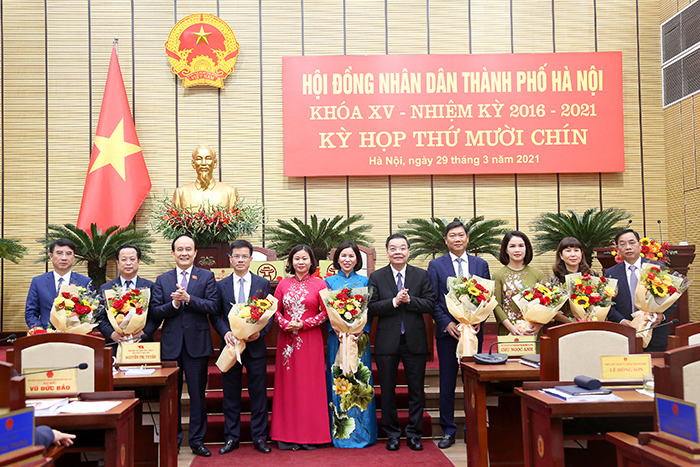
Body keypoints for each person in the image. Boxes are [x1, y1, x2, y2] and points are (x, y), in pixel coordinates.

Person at [150, 234, 219, 457]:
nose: (184, 253)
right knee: (172, 397)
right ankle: (174, 440)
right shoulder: (162, 279)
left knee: (198, 396)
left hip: (197, 345)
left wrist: (189, 299)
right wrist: (174, 304)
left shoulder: (207, 276)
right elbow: (155, 312)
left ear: (195, 253)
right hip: (171, 346)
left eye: (188, 249)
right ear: (173, 253)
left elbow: (213, 306)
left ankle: (197, 441)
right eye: (179, 249)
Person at [368, 233, 435, 452]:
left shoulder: (421, 275)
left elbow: (430, 304)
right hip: (387, 342)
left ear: (408, 251)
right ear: (387, 252)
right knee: (388, 391)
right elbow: (371, 307)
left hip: (415, 340)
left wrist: (410, 300)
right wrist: (394, 302)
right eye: (393, 248)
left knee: (416, 390)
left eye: (402, 248)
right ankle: (393, 434)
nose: (398, 252)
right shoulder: (376, 276)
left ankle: (414, 434)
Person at [427, 221, 490, 449]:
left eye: (461, 235)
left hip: (473, 332)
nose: (457, 239)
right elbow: (433, 299)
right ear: (446, 240)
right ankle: (448, 430)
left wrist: (479, 319)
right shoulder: (436, 265)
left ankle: (472, 428)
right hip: (449, 334)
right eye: (452, 235)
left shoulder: (480, 264)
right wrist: (447, 323)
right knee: (447, 381)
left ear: (467, 238)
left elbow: (487, 297)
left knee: (472, 381)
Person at [211, 240, 273, 455]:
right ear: (230, 259)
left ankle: (259, 437)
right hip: (231, 347)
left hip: (255, 347)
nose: (240, 260)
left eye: (244, 256)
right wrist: (225, 332)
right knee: (230, 393)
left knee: (258, 393)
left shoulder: (262, 283)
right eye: (236, 256)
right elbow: (215, 315)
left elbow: (269, 315)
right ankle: (231, 438)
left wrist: (260, 333)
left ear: (251, 259)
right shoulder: (221, 285)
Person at [270, 245, 330, 450]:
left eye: (305, 258)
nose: (301, 262)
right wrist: (284, 323)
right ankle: (287, 436)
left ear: (312, 261)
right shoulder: (283, 284)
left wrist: (304, 324)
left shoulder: (320, 284)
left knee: (310, 386)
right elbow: (274, 310)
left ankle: (312, 436)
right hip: (287, 340)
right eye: (297, 258)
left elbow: (327, 313)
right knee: (288, 387)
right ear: (291, 262)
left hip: (310, 339)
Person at [325, 241, 377, 448]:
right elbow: (325, 310)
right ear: (337, 259)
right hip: (337, 338)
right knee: (338, 381)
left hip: (358, 339)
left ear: (357, 259)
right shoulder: (328, 282)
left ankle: (363, 434)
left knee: (359, 383)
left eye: (351, 256)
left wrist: (362, 329)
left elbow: (370, 310)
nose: (347, 260)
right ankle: (340, 433)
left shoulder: (366, 281)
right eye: (343, 256)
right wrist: (336, 329)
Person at [605, 229, 674, 352]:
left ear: (640, 245)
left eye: (632, 242)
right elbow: (607, 303)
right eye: (622, 244)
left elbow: (673, 297)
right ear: (618, 249)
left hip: (655, 332)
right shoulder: (611, 273)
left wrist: (661, 316)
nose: (628, 247)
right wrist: (621, 321)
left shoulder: (657, 267)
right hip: (623, 333)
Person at [25, 238, 92, 329]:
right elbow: (31, 313)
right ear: (51, 256)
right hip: (46, 334)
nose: (64, 258)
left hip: (75, 334)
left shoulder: (84, 282)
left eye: (68, 254)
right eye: (59, 253)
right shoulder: (38, 282)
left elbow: (90, 312)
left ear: (73, 257)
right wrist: (40, 331)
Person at [96, 244, 157, 344]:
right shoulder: (106, 288)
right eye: (124, 260)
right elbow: (100, 316)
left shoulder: (150, 286)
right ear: (117, 263)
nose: (128, 263)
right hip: (116, 343)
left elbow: (155, 316)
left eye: (132, 259)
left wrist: (143, 332)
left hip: (142, 342)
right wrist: (112, 334)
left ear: (138, 262)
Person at [493, 231, 544, 336]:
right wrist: (510, 327)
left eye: (521, 246)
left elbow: (545, 304)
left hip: (532, 330)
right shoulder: (498, 275)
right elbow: (496, 305)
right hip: (508, 330)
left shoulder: (537, 275)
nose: (517, 250)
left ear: (526, 248)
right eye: (512, 246)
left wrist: (539, 325)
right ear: (506, 250)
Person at [172, 145, 238, 211]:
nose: (203, 163)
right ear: (193, 163)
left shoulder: (229, 192)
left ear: (215, 163)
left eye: (208, 159)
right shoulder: (181, 193)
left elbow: (237, 216)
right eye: (199, 159)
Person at [550, 236, 592, 322]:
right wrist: (570, 321)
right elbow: (550, 308)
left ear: (581, 253)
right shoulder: (555, 278)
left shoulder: (591, 275)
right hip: (564, 324)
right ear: (561, 255)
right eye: (568, 251)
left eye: (576, 250)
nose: (573, 254)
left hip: (589, 323)